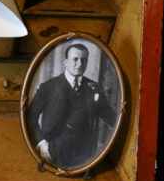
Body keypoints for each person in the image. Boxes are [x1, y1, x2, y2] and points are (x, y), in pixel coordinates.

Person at [28, 42, 117, 170]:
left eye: (83, 60)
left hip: (84, 155)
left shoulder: (93, 87)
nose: (80, 64)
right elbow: (31, 116)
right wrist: (42, 144)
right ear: (66, 62)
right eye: (75, 59)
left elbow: (110, 117)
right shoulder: (49, 87)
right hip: (53, 151)